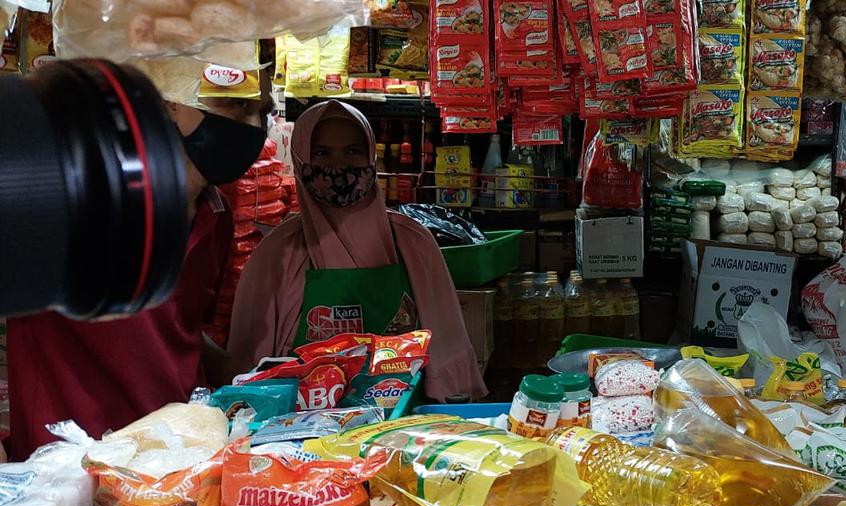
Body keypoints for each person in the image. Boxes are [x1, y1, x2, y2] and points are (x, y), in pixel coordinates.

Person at [3, 90, 270, 460]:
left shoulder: (217, 215)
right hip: (67, 472)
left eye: (263, 112)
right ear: (172, 102)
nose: (255, 127)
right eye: (239, 105)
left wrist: (242, 373)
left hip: (176, 466)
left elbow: (180, 329)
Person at [227, 100, 486, 402]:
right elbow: (250, 372)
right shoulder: (280, 251)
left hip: (402, 426)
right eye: (322, 153)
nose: (339, 167)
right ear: (300, 160)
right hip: (303, 432)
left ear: (371, 157)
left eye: (352, 151)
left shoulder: (410, 240)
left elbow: (447, 345)